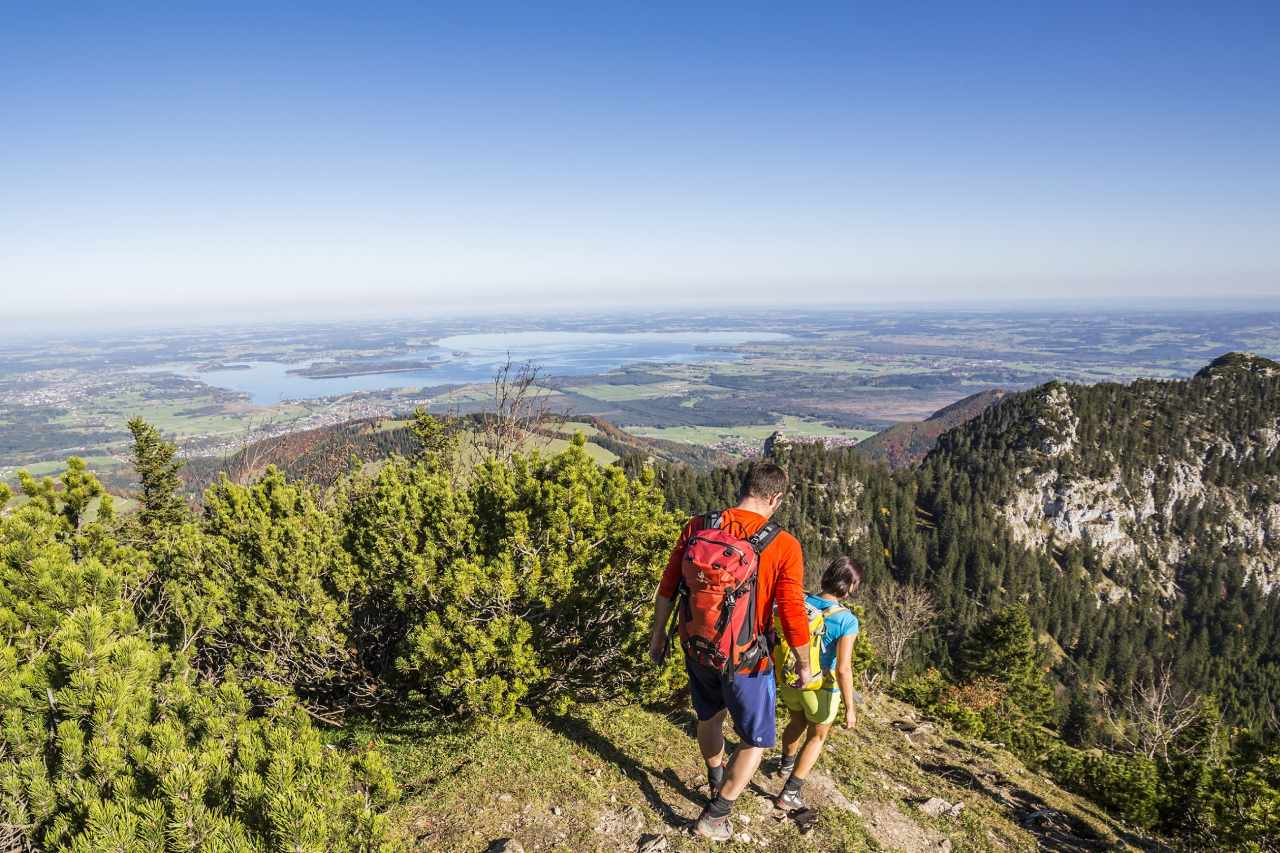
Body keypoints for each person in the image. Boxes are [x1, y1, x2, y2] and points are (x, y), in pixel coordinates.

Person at [648, 462, 812, 842]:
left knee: (708, 717)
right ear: (775, 498)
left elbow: (669, 586)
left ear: (743, 488)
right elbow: (790, 613)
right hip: (746, 659)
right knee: (756, 740)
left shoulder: (698, 526)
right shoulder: (783, 544)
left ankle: (717, 777)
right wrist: (804, 665)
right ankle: (717, 814)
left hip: (696, 646)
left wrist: (658, 636)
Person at [774, 556, 863, 811]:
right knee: (817, 736)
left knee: (796, 722)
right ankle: (789, 793)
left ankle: (786, 764)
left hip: (791, 678)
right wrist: (850, 707)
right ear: (848, 587)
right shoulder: (847, 620)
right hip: (821, 688)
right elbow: (844, 668)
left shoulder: (801, 601)